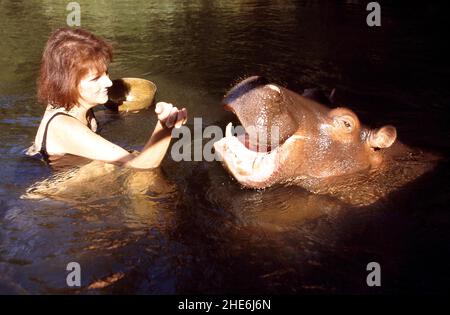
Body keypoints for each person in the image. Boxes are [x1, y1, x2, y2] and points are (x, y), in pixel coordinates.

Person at [27, 28, 187, 170]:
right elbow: (141, 166)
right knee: (141, 178)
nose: (109, 83)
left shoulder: (72, 103)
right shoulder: (64, 127)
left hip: (76, 174)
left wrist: (119, 113)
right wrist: (165, 128)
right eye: (95, 79)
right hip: (57, 195)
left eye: (106, 73)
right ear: (66, 84)